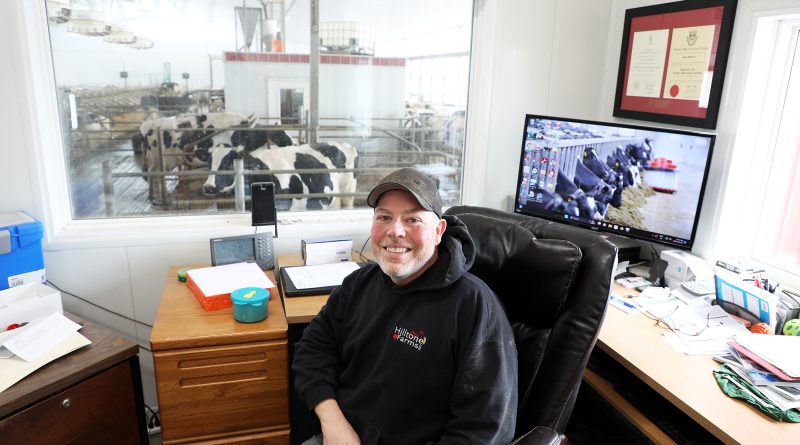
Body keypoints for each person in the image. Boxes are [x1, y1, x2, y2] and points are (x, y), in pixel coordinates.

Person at [293, 167, 518, 445]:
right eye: (384, 217)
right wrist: (332, 421)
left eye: (412, 219)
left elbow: (483, 431)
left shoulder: (474, 306)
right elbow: (313, 349)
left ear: (438, 231)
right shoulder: (359, 283)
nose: (395, 231)